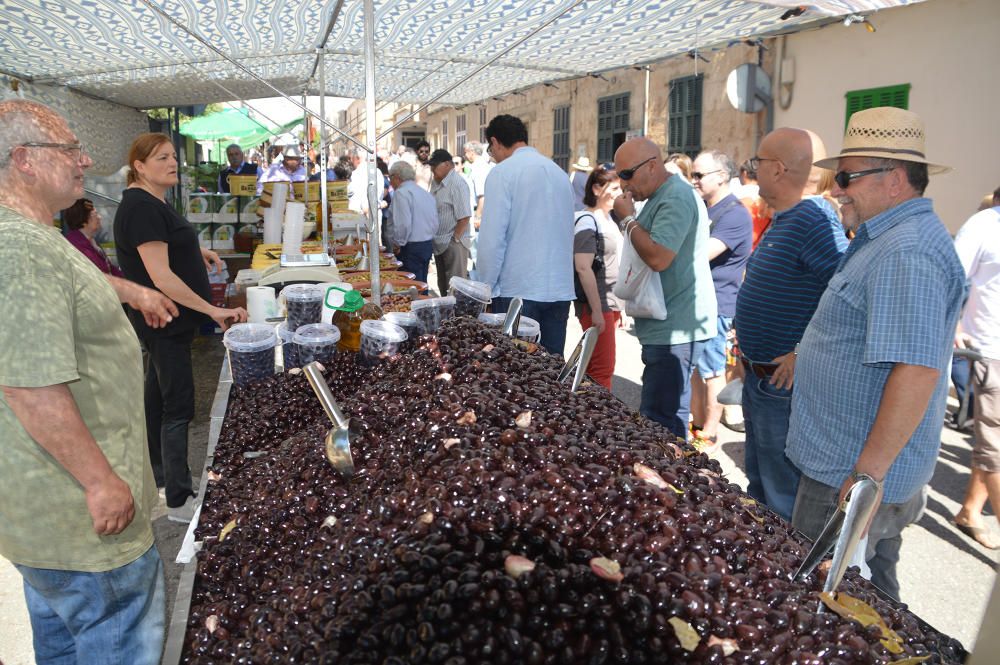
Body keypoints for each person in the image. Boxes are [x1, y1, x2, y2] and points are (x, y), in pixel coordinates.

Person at [0, 98, 178, 665]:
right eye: (70, 149)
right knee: (116, 637)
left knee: (64, 646)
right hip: (83, 523)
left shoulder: (37, 238)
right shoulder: (23, 250)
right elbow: (29, 385)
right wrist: (101, 482)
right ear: (24, 160)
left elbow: (72, 289)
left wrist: (133, 291)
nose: (86, 159)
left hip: (50, 524)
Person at [786, 107, 965, 600]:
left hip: (851, 475)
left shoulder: (906, 249)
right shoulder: (887, 238)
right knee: (869, 599)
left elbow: (916, 370)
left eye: (846, 176)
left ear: (894, 179)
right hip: (846, 466)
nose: (837, 188)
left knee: (841, 604)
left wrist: (866, 479)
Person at [115, 132, 248, 524]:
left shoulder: (153, 202)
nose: (172, 163)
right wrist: (212, 310)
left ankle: (158, 476)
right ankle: (177, 498)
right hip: (164, 321)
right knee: (178, 407)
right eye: (161, 158)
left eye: (173, 156)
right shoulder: (141, 208)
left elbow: (167, 248)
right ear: (139, 167)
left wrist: (197, 250)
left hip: (167, 323)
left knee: (156, 400)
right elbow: (161, 278)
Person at [732, 128, 847, 521]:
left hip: (781, 388)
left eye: (757, 163)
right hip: (761, 378)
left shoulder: (813, 218)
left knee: (781, 496)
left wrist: (803, 352)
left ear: (778, 170)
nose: (753, 170)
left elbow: (847, 295)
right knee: (762, 486)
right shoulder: (789, 217)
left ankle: (782, 576)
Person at [612, 137, 716, 438]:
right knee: (667, 415)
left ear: (652, 166)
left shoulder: (675, 198)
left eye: (627, 174)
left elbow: (658, 257)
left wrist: (628, 220)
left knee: (659, 420)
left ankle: (669, 480)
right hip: (668, 324)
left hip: (676, 328)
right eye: (620, 175)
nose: (624, 183)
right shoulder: (663, 195)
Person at [478, 114, 575, 356]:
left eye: (491, 150)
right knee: (551, 370)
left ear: (496, 142)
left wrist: (485, 289)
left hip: (518, 288)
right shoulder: (558, 173)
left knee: (518, 369)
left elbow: (492, 240)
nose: (493, 156)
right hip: (559, 289)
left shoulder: (502, 173)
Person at [688, 150, 752, 450]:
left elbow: (698, 255)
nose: (694, 180)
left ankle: (709, 434)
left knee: (713, 372)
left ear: (722, 177)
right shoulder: (705, 208)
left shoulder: (734, 213)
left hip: (717, 305)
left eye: (699, 175)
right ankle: (697, 425)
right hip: (699, 303)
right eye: (693, 174)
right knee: (697, 370)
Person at [952, 185, 1000, 550]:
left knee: (991, 445)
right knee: (996, 447)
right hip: (991, 352)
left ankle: (970, 510)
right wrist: (953, 328)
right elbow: (952, 279)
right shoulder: (983, 225)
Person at [573, 165, 624, 390]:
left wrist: (616, 308)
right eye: (613, 188)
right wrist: (596, 310)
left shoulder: (609, 219)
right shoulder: (587, 220)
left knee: (598, 366)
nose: (618, 193)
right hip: (597, 304)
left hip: (608, 304)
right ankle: (598, 419)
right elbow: (583, 268)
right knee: (600, 370)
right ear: (596, 189)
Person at [428, 148, 472, 296]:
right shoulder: (436, 182)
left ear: (447, 164)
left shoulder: (457, 183)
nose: (432, 169)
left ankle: (457, 319)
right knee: (443, 286)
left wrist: (455, 239)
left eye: (435, 165)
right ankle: (446, 318)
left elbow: (464, 216)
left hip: (453, 243)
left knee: (455, 290)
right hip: (439, 242)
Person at [387, 160, 437, 285]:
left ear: (396, 177)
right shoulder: (424, 193)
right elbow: (435, 221)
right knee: (422, 283)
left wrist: (398, 243)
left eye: (390, 178)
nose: (390, 182)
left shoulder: (401, 193)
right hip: (426, 244)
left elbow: (403, 224)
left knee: (411, 286)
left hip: (410, 247)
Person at [63, 197, 124, 277]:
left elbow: (110, 268)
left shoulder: (91, 240)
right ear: (83, 220)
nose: (100, 217)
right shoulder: (76, 245)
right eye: (95, 214)